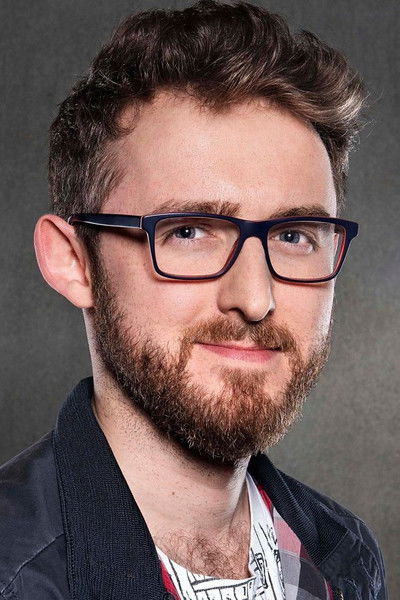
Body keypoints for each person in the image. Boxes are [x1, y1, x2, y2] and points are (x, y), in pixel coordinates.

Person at [0, 1, 387, 599]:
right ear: (73, 261)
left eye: (293, 236)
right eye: (188, 231)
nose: (254, 299)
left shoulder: (344, 554)